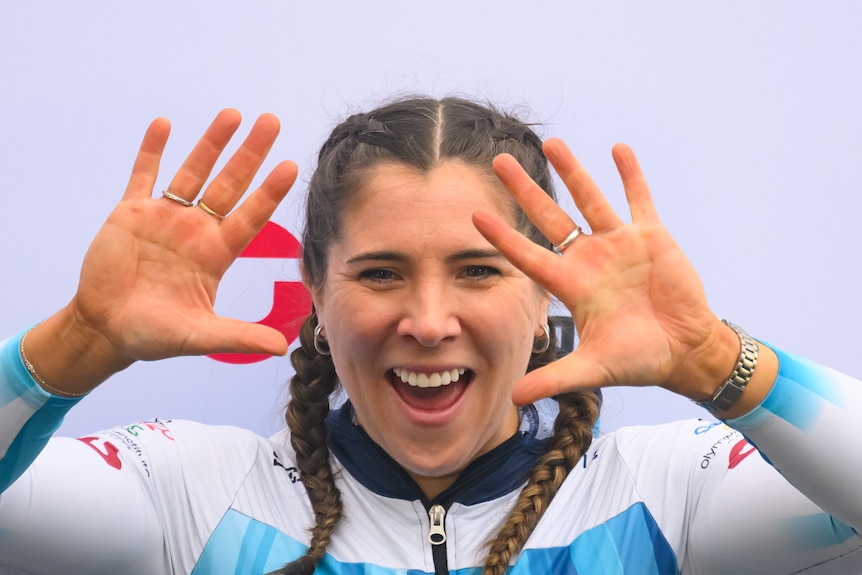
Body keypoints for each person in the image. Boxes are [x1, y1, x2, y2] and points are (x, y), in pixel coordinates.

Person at [0, 97, 860, 575]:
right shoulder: (191, 494)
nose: (428, 319)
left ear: (542, 296)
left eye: (479, 271)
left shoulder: (669, 493)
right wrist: (77, 339)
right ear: (314, 295)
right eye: (379, 273)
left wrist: (713, 359)